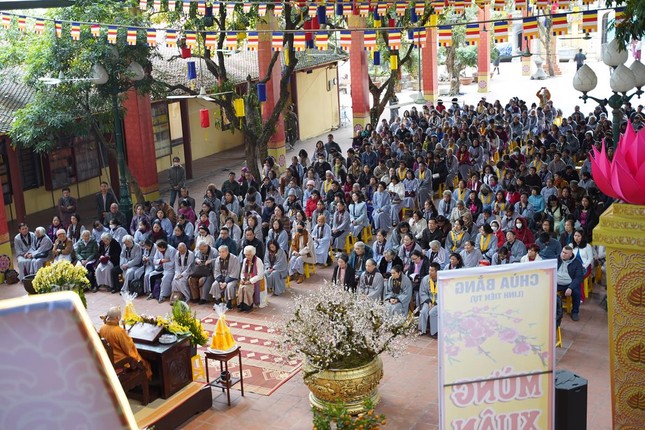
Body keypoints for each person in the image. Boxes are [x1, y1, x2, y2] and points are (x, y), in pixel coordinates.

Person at [99, 307, 152, 380]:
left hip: (109, 361)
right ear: (117, 318)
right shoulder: (118, 331)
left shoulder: (102, 328)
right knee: (145, 364)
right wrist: (127, 337)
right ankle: (147, 382)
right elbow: (128, 349)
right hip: (121, 362)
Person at [557, 246, 584, 321]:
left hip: (569, 284)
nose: (563, 254)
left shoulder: (577, 263)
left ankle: (575, 312)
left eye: (566, 253)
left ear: (570, 254)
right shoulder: (556, 259)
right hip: (556, 283)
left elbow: (579, 278)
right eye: (562, 252)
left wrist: (570, 287)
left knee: (577, 292)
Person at [238, 245, 267, 312]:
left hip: (256, 280)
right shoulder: (245, 260)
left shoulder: (258, 261)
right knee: (241, 287)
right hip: (246, 279)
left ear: (253, 254)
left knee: (247, 288)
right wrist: (242, 279)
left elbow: (260, 275)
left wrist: (250, 281)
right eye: (246, 255)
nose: (247, 256)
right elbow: (242, 272)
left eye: (249, 255)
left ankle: (248, 305)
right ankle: (241, 305)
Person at [418, 262, 440, 338]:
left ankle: (434, 332)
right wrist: (428, 301)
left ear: (437, 272)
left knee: (432, 312)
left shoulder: (442, 279)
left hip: (439, 301)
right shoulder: (425, 279)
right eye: (429, 270)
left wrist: (435, 303)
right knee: (423, 311)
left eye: (432, 270)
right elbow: (422, 292)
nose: (429, 272)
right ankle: (422, 330)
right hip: (428, 300)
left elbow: (445, 293)